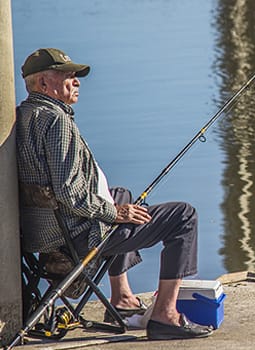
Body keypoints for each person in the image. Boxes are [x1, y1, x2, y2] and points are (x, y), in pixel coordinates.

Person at [15, 48, 211, 340]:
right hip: (72, 234)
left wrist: (115, 204)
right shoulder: (57, 122)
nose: (76, 81)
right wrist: (115, 213)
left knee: (120, 194)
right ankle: (165, 315)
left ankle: (121, 299)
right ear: (44, 84)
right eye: (67, 76)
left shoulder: (24, 115)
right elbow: (69, 192)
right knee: (183, 216)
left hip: (39, 230)